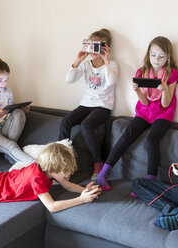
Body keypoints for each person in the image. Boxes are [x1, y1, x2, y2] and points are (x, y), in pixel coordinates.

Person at [98, 36, 178, 190]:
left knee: (151, 140)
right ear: (148, 55)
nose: (157, 59)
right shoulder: (142, 71)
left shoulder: (171, 73)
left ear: (168, 57)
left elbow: (166, 104)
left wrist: (164, 90)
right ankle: (103, 174)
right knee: (127, 134)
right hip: (145, 111)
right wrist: (137, 91)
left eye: (162, 56)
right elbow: (145, 102)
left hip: (163, 113)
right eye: (153, 55)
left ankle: (150, 181)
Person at [59, 28, 118, 181]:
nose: (93, 50)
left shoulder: (111, 64)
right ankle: (61, 159)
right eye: (91, 45)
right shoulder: (86, 64)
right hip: (86, 104)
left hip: (103, 106)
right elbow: (69, 80)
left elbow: (111, 82)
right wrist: (77, 61)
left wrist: (106, 61)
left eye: (97, 46)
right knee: (65, 121)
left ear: (105, 48)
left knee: (86, 125)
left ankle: (98, 164)